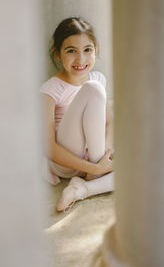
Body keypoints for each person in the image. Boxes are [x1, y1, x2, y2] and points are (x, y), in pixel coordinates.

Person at [40, 17, 114, 212]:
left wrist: (106, 155)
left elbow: (108, 123)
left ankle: (81, 190)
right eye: (71, 51)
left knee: (139, 164)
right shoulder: (50, 89)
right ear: (57, 53)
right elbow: (49, 147)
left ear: (96, 50)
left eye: (87, 50)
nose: (81, 59)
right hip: (65, 160)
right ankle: (97, 175)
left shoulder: (99, 77)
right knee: (93, 89)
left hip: (92, 155)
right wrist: (96, 168)